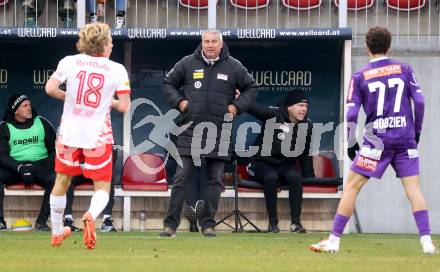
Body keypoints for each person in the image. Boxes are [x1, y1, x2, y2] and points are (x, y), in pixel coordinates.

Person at [310, 27, 437, 254]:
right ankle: (427, 243)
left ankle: (334, 241)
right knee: (414, 190)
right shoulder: (405, 69)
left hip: (376, 143)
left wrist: (351, 142)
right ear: (389, 46)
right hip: (405, 139)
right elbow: (419, 102)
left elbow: (350, 114)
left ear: (367, 47)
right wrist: (415, 132)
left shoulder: (360, 77)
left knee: (352, 187)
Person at [160, 29, 257, 237]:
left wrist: (236, 107)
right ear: (201, 43)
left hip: (220, 131)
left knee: (214, 181)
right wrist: (181, 103)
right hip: (189, 130)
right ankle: (170, 225)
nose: (210, 45)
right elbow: (168, 84)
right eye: (206, 41)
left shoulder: (234, 66)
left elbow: (251, 88)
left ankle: (208, 225)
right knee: (180, 178)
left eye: (214, 42)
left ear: (221, 45)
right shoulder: (187, 63)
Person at [45, 22, 130, 249]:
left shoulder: (69, 61)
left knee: (62, 180)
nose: (112, 45)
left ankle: (55, 232)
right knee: (102, 185)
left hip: (68, 134)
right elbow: (124, 106)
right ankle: (91, 214)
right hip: (98, 136)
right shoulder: (117, 69)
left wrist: (71, 97)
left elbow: (50, 89)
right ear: (103, 44)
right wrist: (105, 103)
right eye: (111, 41)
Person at [246, 91, 314, 233]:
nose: (304, 109)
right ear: (289, 107)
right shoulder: (274, 115)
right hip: (260, 163)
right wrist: (240, 99)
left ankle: (296, 224)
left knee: (295, 178)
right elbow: (253, 108)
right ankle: (273, 224)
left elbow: (305, 155)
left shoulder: (306, 126)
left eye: (306, 106)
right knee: (271, 177)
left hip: (283, 165)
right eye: (300, 105)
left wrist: (309, 178)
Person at [0, 94, 55, 231]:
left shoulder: (41, 122)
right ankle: (0, 221)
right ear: (15, 110)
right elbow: (2, 156)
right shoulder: (4, 126)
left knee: (56, 179)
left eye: (29, 105)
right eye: (24, 106)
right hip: (15, 168)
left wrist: (43, 166)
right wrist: (20, 167)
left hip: (39, 166)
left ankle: (41, 222)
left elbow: (54, 150)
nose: (29, 108)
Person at [63, 146, 119, 232]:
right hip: (79, 170)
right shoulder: (76, 135)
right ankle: (68, 220)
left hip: (96, 169)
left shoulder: (100, 135)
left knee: (107, 180)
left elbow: (112, 153)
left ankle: (106, 220)